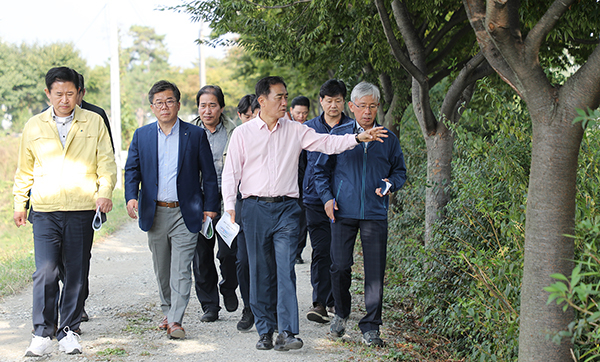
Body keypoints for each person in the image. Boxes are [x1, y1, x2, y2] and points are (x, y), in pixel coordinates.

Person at [221, 76, 388, 351]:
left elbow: (327, 143)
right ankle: (265, 330)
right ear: (262, 100)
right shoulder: (243, 133)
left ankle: (288, 332)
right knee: (261, 271)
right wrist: (230, 208)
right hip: (254, 208)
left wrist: (357, 137)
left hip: (287, 208)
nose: (285, 102)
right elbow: (231, 174)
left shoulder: (296, 130)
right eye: (279, 97)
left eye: (286, 96)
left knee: (286, 269)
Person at [13, 66, 116, 356]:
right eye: (58, 94)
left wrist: (104, 193)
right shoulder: (34, 125)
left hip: (81, 208)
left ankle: (68, 330)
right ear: (48, 93)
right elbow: (24, 169)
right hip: (45, 209)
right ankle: (42, 333)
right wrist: (20, 203)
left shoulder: (94, 122)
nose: (64, 99)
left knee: (76, 272)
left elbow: (106, 162)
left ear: (79, 93)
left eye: (70, 93)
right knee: (45, 271)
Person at [124, 80, 219, 340]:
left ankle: (176, 320)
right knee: (162, 268)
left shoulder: (194, 134)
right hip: (154, 212)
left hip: (185, 212)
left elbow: (208, 175)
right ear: (152, 107)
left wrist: (211, 207)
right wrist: (131, 197)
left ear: (178, 104)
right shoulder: (141, 135)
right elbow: (132, 169)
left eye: (169, 101)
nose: (164, 106)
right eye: (158, 102)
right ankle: (168, 310)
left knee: (181, 269)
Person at [313, 81, 407, 347]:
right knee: (340, 266)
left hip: (375, 213)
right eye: (362, 106)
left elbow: (400, 171)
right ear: (351, 107)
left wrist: (390, 184)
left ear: (378, 107)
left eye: (373, 106)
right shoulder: (340, 135)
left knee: (375, 272)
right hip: (343, 212)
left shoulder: (388, 138)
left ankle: (371, 327)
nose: (367, 112)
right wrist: (328, 198)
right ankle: (341, 313)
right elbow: (319, 172)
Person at [303, 80, 354, 324]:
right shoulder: (308, 128)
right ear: (321, 101)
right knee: (321, 251)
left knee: (340, 254)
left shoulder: (352, 128)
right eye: (329, 100)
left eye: (338, 100)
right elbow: (301, 164)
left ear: (344, 102)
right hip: (314, 199)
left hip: (346, 201)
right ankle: (320, 302)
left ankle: (337, 301)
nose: (333, 105)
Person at [188, 85, 240, 323]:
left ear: (221, 107)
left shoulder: (235, 131)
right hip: (198, 199)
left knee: (229, 253)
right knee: (201, 256)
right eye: (203, 105)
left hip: (227, 199)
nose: (207, 110)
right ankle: (210, 305)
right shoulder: (187, 132)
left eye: (212, 105)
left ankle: (228, 286)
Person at [232, 94, 257, 332]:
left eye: (255, 115)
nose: (251, 120)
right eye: (247, 116)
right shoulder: (237, 137)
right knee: (243, 260)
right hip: (241, 207)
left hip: (266, 206)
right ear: (240, 116)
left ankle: (267, 308)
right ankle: (248, 308)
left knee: (268, 260)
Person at [290, 96, 311, 265]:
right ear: (291, 111)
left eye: (304, 113)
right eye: (298, 113)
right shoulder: (286, 129)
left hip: (306, 182)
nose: (301, 116)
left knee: (302, 219)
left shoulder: (310, 130)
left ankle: (298, 251)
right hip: (289, 181)